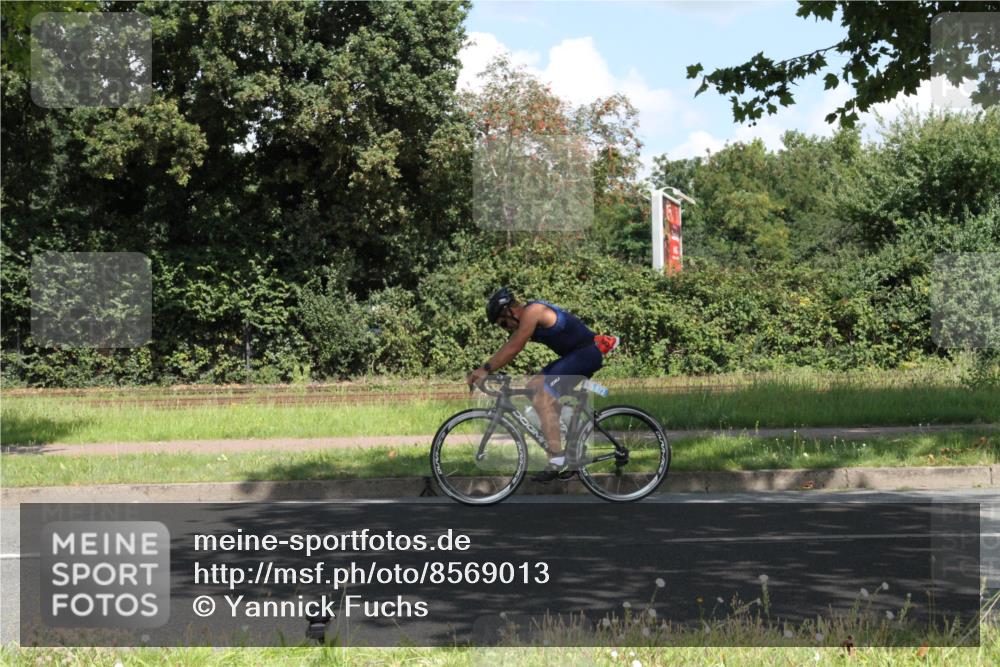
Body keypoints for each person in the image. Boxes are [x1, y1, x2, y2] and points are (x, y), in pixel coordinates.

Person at [466, 287, 619, 482]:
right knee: (535, 386)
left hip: (586, 353)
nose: (505, 328)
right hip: (577, 355)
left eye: (503, 323)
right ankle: (573, 435)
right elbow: (509, 346)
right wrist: (487, 368)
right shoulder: (526, 318)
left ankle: (557, 459)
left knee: (541, 394)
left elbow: (514, 347)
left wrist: (485, 369)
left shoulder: (533, 312)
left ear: (509, 311)